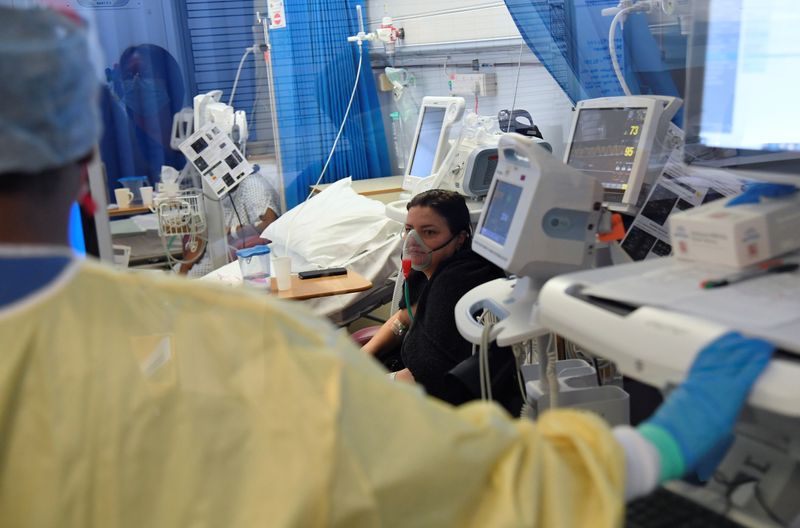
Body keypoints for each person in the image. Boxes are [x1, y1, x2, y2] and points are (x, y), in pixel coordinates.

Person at [0, 7, 775, 527]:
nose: (412, 245)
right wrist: (663, 442)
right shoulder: (234, 347)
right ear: (84, 164)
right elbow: (472, 482)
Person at [361, 190, 522, 413]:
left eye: (428, 232)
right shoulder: (426, 268)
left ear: (460, 239)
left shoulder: (458, 280)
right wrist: (363, 356)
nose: (413, 242)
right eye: (409, 230)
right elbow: (404, 317)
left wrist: (365, 388)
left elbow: (427, 375)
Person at [177, 167, 282, 277]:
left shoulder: (252, 185)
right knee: (172, 278)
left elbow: (269, 223)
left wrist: (233, 231)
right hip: (213, 255)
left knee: (182, 283)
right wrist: (183, 269)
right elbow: (201, 234)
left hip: (231, 261)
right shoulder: (218, 191)